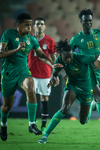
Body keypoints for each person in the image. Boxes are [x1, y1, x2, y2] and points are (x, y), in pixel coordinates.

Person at [38, 39, 100, 144]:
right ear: (60, 55)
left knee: (83, 121)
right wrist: (53, 78)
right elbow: (55, 73)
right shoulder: (59, 60)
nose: (69, 59)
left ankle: (89, 106)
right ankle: (45, 136)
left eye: (71, 56)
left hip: (87, 89)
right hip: (72, 86)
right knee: (64, 108)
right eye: (67, 57)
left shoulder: (82, 58)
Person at [0, 13, 62, 141]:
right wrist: (17, 49)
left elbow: (41, 55)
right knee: (7, 106)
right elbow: (1, 53)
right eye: (26, 25)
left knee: (31, 88)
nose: (29, 28)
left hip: (23, 71)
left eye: (30, 25)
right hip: (8, 73)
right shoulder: (8, 34)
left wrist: (52, 64)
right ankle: (3, 125)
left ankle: (31, 124)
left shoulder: (31, 39)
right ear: (18, 25)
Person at [70, 9, 100, 138]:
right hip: (86, 73)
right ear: (81, 21)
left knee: (97, 100)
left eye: (90, 21)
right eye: (85, 21)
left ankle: (90, 105)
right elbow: (68, 56)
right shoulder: (76, 39)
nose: (88, 23)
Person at [28, 17, 58, 133]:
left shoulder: (50, 40)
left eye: (42, 24)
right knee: (32, 98)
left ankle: (43, 126)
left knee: (44, 98)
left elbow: (53, 58)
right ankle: (32, 123)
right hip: (30, 73)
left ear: (45, 27)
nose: (39, 26)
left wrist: (55, 75)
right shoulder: (28, 39)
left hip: (45, 74)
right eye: (37, 24)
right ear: (34, 26)